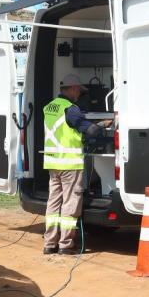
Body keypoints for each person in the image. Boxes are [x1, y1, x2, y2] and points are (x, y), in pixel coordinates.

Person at [42, 73, 110, 255]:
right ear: (72, 88)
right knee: (70, 204)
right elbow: (90, 130)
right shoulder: (70, 109)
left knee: (53, 202)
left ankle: (49, 243)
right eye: (79, 90)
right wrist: (103, 125)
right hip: (69, 164)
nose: (79, 94)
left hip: (53, 163)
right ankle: (65, 244)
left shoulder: (49, 107)